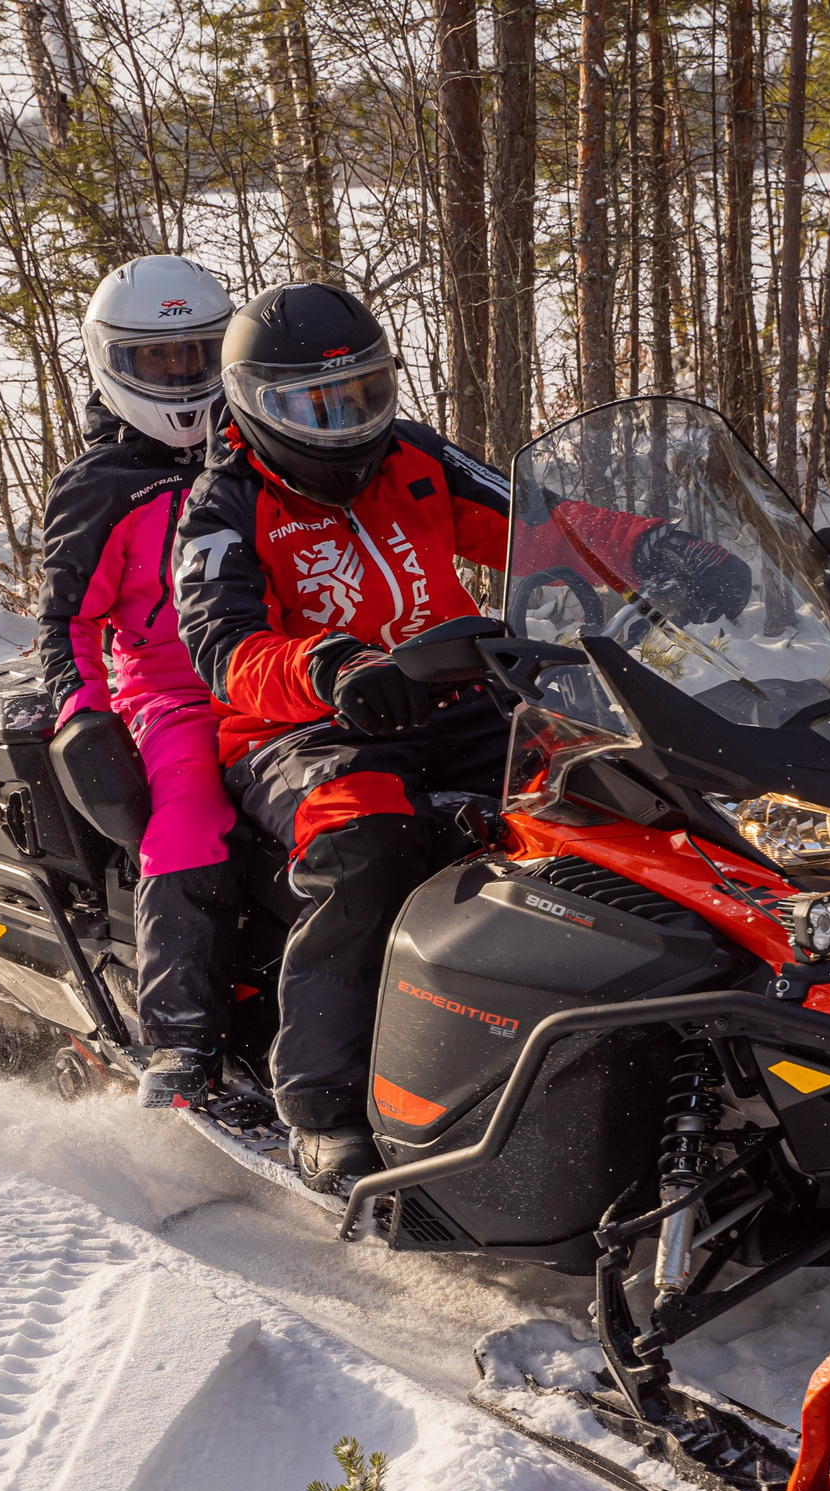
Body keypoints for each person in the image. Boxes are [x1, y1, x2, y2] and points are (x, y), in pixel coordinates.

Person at [170, 281, 520, 1188]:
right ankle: (319, 1103)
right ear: (253, 404)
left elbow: (539, 520)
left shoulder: (415, 456)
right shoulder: (223, 507)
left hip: (450, 698)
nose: (346, 422)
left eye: (362, 394)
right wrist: (331, 667)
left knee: (593, 782)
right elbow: (224, 645)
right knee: (369, 842)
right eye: (315, 405)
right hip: (299, 732)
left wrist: (659, 553)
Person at [35, 255, 243, 1109]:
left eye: (199, 355)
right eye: (158, 361)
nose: (182, 377)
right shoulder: (100, 489)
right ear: (112, 361)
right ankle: (181, 1038)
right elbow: (66, 621)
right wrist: (82, 713)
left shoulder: (259, 453)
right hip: (172, 689)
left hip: (280, 671)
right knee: (191, 817)